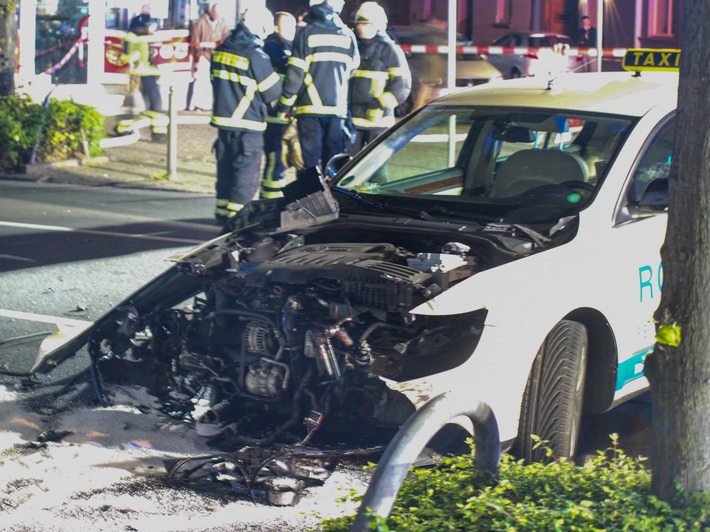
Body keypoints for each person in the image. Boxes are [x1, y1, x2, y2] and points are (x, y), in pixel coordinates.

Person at [210, 6, 282, 230]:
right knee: (244, 179)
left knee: (225, 174)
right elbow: (273, 93)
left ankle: (222, 215)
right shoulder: (255, 55)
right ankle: (238, 223)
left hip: (224, 126)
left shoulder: (220, 51)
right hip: (248, 128)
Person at [276, 0, 360, 170]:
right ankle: (331, 196)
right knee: (334, 164)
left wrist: (285, 104)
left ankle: (312, 196)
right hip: (338, 110)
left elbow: (295, 75)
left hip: (310, 110)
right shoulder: (347, 35)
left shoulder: (306, 33)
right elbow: (352, 68)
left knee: (310, 163)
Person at [348, 2, 411, 153]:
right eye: (359, 24)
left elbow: (401, 86)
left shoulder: (391, 51)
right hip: (353, 119)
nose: (361, 27)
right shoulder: (353, 48)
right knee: (347, 165)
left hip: (378, 121)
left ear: (377, 25)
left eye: (366, 24)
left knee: (376, 168)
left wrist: (379, 105)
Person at [260, 11, 297, 199]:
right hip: (274, 115)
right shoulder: (271, 46)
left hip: (286, 113)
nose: (292, 31)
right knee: (275, 158)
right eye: (287, 27)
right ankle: (269, 199)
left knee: (283, 160)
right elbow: (286, 68)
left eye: (293, 27)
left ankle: (274, 196)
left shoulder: (290, 46)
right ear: (276, 28)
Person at [188, 1, 229, 111]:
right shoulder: (201, 22)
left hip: (216, 55)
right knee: (201, 80)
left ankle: (212, 104)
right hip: (204, 54)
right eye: (215, 12)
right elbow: (195, 39)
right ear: (211, 11)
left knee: (214, 81)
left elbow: (226, 38)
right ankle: (197, 104)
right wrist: (198, 50)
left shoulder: (223, 22)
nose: (216, 15)